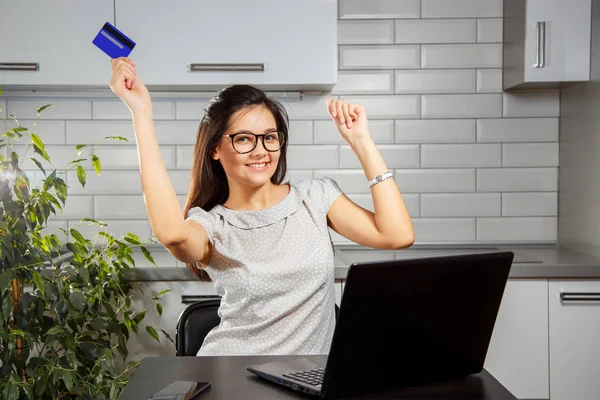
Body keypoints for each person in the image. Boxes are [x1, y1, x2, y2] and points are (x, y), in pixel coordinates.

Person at [108, 57, 415, 356]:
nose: (261, 151)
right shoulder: (213, 226)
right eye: (243, 139)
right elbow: (173, 235)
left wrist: (360, 140)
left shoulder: (316, 197)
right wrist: (141, 114)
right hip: (232, 377)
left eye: (269, 137)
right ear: (215, 148)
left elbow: (397, 235)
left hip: (306, 380)